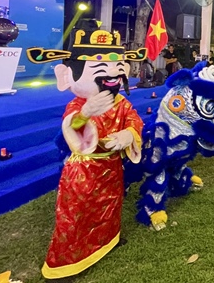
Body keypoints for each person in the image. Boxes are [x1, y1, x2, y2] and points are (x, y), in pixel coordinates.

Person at [26, 29, 146, 279]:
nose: (114, 72)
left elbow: (134, 121)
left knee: (110, 209)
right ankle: (67, 263)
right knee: (76, 216)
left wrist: (128, 135)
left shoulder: (121, 103)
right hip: (84, 171)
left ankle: (108, 242)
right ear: (69, 74)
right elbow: (73, 129)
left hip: (111, 168)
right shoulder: (78, 105)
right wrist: (85, 114)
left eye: (118, 64)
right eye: (101, 64)